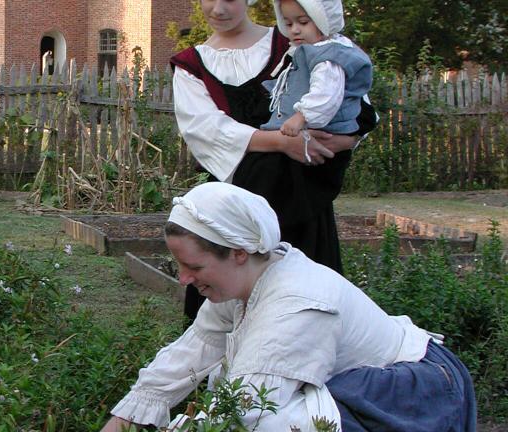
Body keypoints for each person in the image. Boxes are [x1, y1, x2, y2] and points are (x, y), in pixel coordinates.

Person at [100, 182, 477, 432]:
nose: (183, 278)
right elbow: (192, 351)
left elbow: (244, 411)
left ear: (239, 253)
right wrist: (121, 420)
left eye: (194, 267)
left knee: (281, 422)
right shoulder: (244, 282)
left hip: (414, 391)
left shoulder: (297, 304)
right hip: (360, 380)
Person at [170, 0, 377, 323]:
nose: (219, 9)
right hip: (236, 202)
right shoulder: (191, 65)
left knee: (306, 306)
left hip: (302, 198)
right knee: (224, 315)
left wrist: (341, 141)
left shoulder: (295, 39)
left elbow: (356, 103)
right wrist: (282, 142)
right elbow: (206, 130)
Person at [259, 0, 373, 145]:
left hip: (323, 138)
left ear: (324, 21)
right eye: (288, 24)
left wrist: (301, 117)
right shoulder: (306, 52)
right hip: (300, 136)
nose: (295, 30)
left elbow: (325, 94)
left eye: (303, 22)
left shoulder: (328, 57)